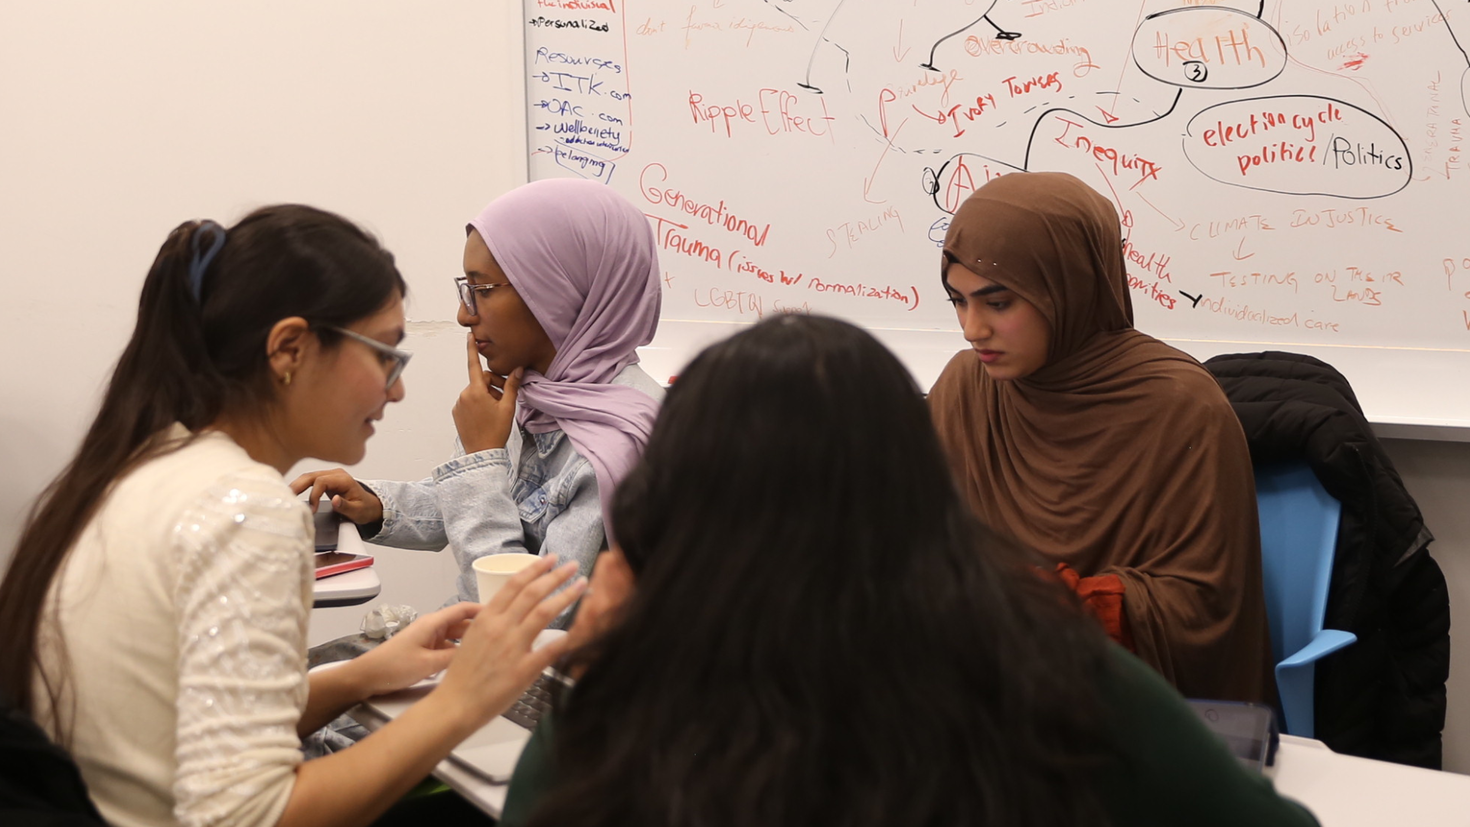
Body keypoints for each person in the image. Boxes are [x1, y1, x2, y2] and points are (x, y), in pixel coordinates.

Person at [498, 314, 1318, 827]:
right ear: (921, 481)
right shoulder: (1051, 669)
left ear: (673, 496)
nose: (974, 328)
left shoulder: (620, 710)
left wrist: (590, 664)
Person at [0, 205, 586, 827]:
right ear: (289, 349)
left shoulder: (146, 464)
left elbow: (185, 720)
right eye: (386, 355)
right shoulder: (246, 511)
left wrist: (359, 677)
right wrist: (463, 702)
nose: (398, 390)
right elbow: (248, 815)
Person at [926, 171, 1271, 703]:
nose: (973, 329)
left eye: (997, 303)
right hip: (980, 702)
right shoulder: (964, 390)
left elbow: (1202, 610)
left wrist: (1040, 606)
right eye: (958, 300)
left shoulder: (1180, 406)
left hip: (1131, 713)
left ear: (1070, 287)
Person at [293, 179, 664, 604]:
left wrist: (479, 460)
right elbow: (474, 504)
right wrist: (378, 504)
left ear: (559, 293)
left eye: (483, 290)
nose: (463, 315)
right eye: (465, 289)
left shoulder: (619, 446)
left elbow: (522, 618)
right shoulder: (536, 394)